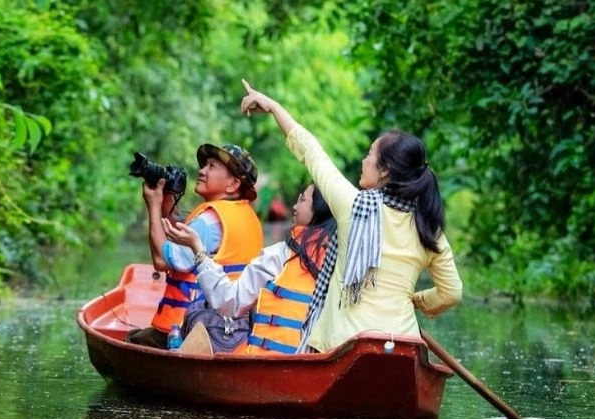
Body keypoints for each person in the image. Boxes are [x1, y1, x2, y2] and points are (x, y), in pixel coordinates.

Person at [239, 79, 462, 353]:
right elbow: (451, 293)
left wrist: (274, 107)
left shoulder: (352, 205)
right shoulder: (428, 225)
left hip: (344, 346)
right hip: (403, 346)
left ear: (384, 170)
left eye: (369, 154)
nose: (363, 161)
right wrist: (414, 300)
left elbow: (311, 152)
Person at [162, 184, 336, 355]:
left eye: (302, 200)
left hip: (267, 364)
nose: (295, 206)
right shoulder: (341, 259)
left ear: (318, 211)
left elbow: (230, 302)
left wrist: (198, 250)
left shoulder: (280, 255)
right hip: (310, 364)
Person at [126, 143, 264, 349]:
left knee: (133, 340)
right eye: (204, 165)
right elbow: (178, 243)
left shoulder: (209, 220)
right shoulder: (246, 216)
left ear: (233, 184)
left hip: (193, 326)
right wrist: (167, 207)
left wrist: (153, 205)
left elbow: (161, 261)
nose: (202, 171)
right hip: (235, 328)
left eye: (211, 166)